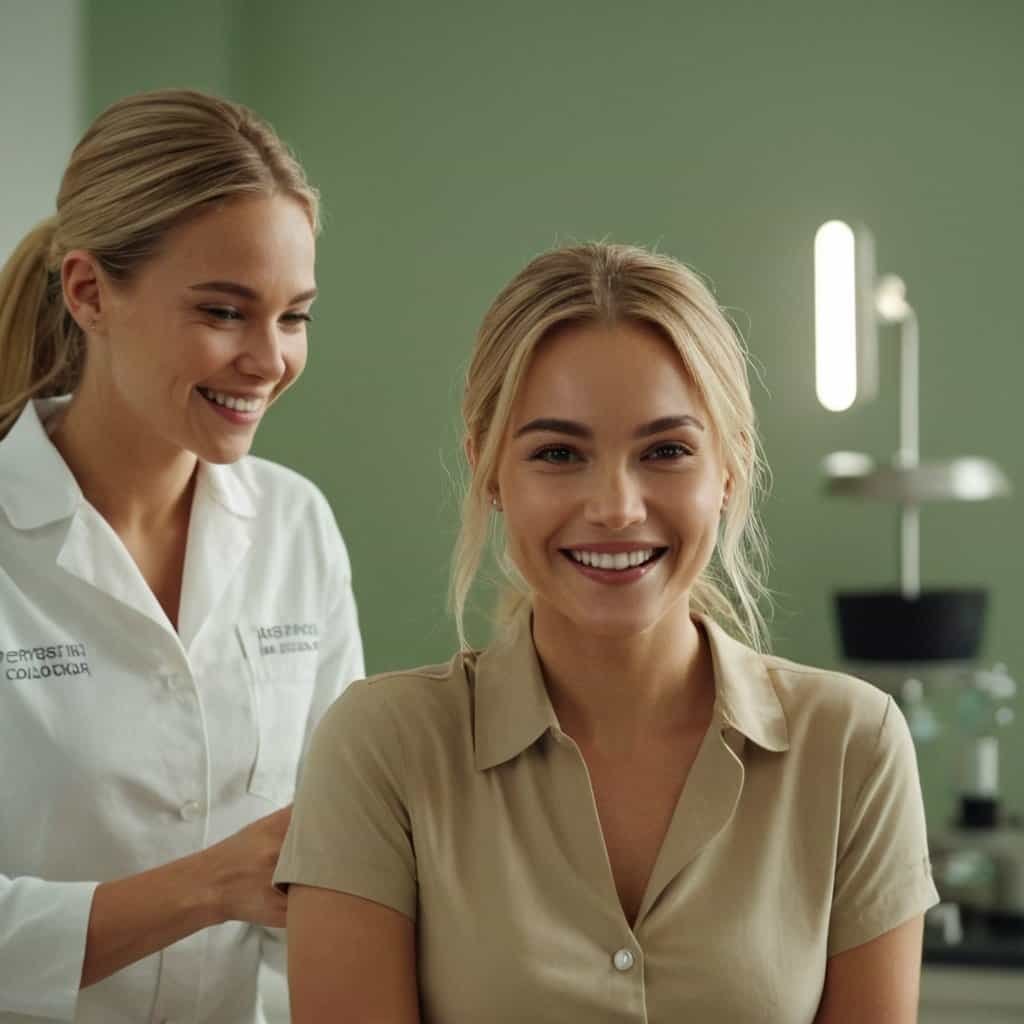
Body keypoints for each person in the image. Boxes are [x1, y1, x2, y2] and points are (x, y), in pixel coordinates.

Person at [275, 242, 939, 1022]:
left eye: (666, 451)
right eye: (559, 453)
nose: (617, 506)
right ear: (491, 474)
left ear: (728, 471)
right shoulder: (382, 749)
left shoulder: (853, 747)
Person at [0, 90, 364, 1023]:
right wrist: (208, 886)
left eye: (295, 317)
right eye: (224, 311)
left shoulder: (295, 526)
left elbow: (339, 846)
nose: (269, 359)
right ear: (89, 293)